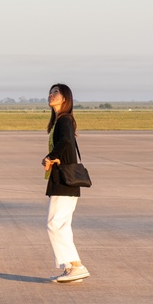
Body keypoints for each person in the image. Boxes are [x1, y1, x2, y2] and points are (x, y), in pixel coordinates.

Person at [42, 83, 90, 283]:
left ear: (65, 98)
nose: (51, 95)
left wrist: (51, 156)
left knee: (54, 224)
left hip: (64, 179)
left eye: (56, 92)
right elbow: (67, 142)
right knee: (62, 225)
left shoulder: (64, 120)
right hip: (64, 179)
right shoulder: (60, 121)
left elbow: (66, 142)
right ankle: (71, 268)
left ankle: (76, 266)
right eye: (50, 92)